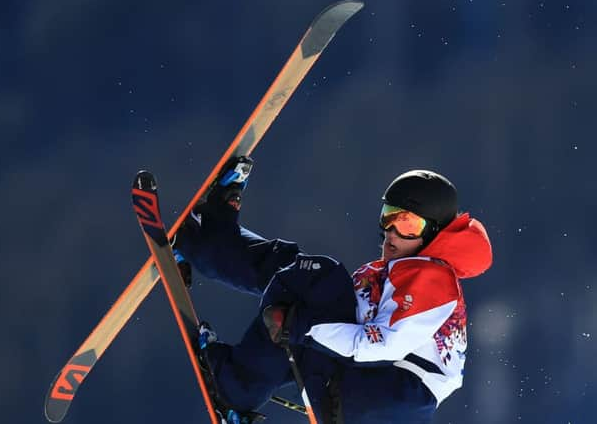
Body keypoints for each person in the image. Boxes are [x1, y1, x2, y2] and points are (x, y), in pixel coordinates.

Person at [173, 157, 492, 424]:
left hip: (379, 395)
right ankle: (213, 240)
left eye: (409, 225)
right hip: (366, 397)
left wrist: (300, 328)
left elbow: (386, 345)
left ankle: (205, 244)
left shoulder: (432, 278)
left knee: (317, 281)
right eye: (388, 218)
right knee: (299, 278)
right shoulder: (396, 274)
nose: (392, 233)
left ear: (434, 233)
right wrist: (298, 325)